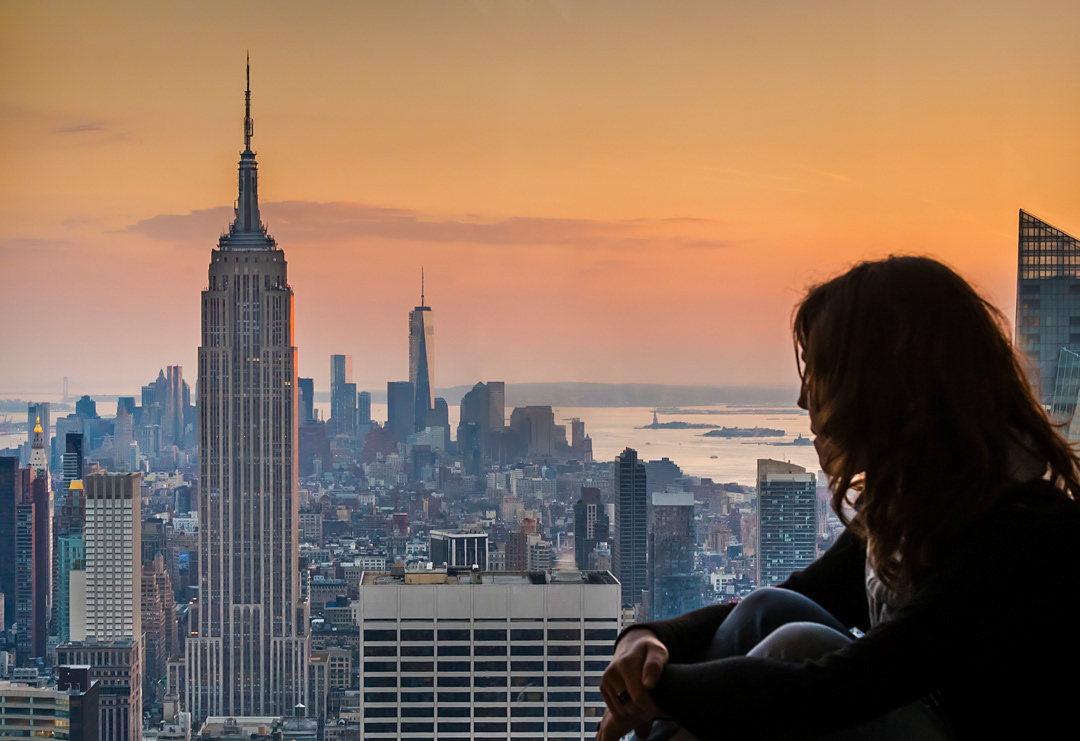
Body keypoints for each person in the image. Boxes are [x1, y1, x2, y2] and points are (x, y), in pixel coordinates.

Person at [597, 256, 1080, 741]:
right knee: (768, 609)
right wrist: (649, 639)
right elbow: (799, 594)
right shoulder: (916, 511)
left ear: (896, 391)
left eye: (824, 376)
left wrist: (661, 692)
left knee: (797, 645)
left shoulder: (1021, 533)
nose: (805, 401)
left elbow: (841, 688)